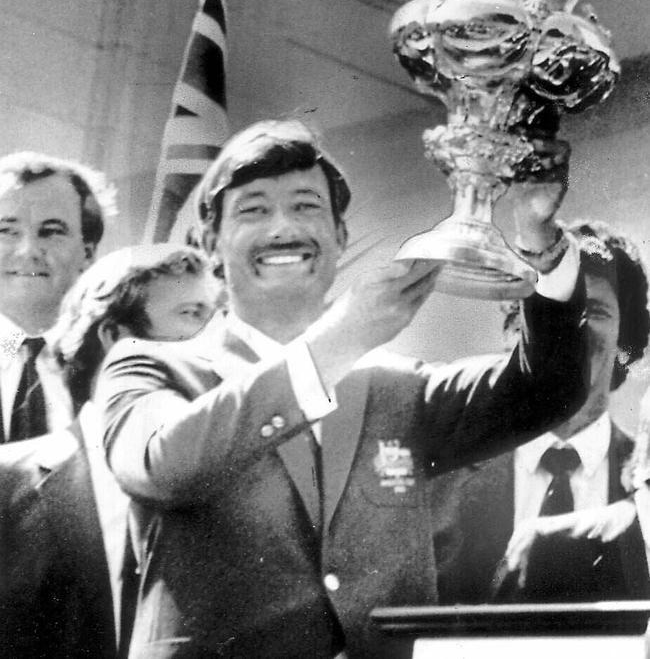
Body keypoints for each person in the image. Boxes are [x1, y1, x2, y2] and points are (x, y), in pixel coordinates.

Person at [98, 119, 588, 659]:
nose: (283, 228)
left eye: (306, 206)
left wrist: (537, 236)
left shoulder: (400, 389)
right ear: (210, 242)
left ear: (339, 236)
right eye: (254, 210)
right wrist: (338, 341)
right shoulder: (148, 366)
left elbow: (549, 389)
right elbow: (163, 466)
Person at [0, 244, 219, 659]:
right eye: (193, 315)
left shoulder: (238, 478)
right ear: (117, 338)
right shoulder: (5, 486)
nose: (218, 337)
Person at [437, 221, 650, 605]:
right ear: (516, 332)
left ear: (627, 341)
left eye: (595, 310)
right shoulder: (443, 480)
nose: (571, 330)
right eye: (555, 312)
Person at [0, 151, 115, 442]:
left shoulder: (115, 363)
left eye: (51, 232)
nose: (27, 250)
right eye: (6, 231)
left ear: (87, 253)